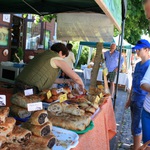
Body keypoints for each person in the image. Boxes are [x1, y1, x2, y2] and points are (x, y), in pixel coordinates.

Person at [15, 42, 84, 94]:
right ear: (60, 52)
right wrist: (82, 91)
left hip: (18, 84)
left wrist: (67, 81)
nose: (63, 59)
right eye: (64, 57)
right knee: (28, 110)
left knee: (18, 109)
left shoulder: (43, 54)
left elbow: (49, 79)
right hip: (30, 88)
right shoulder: (56, 58)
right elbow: (77, 78)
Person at [125, 39, 150, 150]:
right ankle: (136, 146)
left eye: (139, 50)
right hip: (134, 98)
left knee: (137, 127)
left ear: (147, 50)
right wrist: (129, 99)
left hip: (143, 101)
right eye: (136, 50)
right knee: (134, 125)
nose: (137, 52)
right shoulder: (138, 65)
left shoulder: (149, 65)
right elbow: (134, 83)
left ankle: (136, 147)